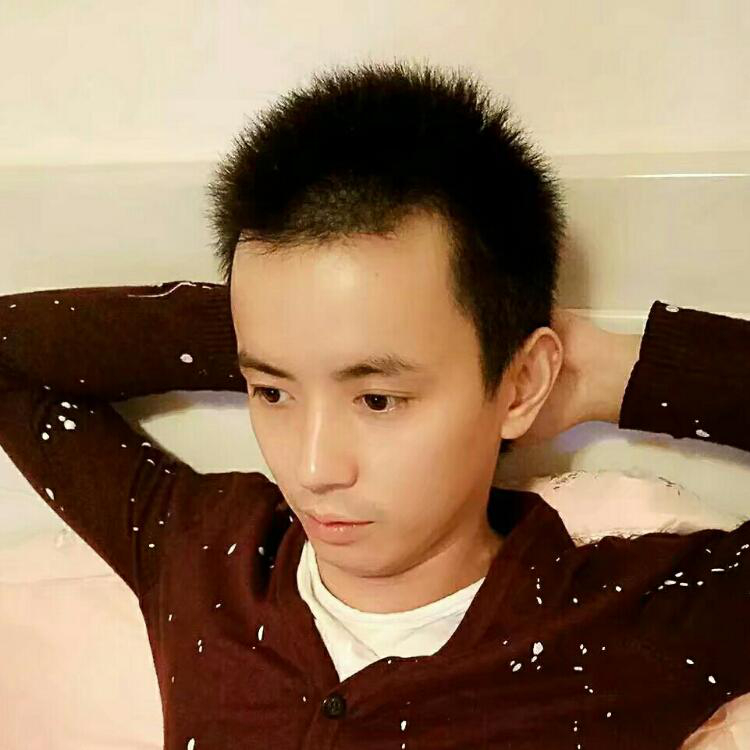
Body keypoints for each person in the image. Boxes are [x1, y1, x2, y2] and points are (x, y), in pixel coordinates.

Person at [0, 60, 748, 749]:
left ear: (520, 384)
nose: (314, 468)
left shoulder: (628, 627)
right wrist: (273, 323)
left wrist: (607, 372)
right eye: (272, 393)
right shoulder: (204, 555)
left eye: (379, 399)